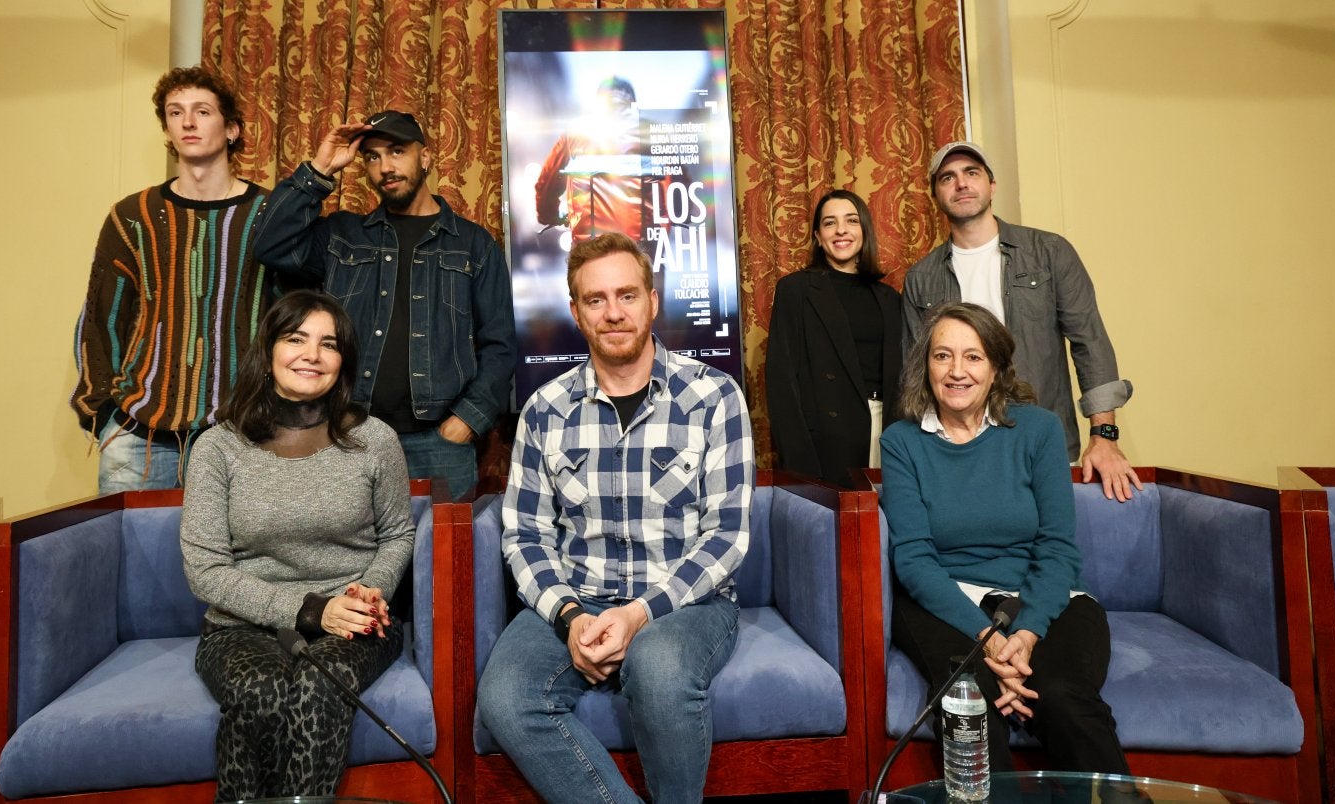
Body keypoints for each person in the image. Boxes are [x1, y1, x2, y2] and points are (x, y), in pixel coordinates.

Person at [477, 232, 753, 803]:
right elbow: (525, 534)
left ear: (653, 301)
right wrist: (569, 616)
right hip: (578, 594)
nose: (613, 313)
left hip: (683, 604)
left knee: (656, 666)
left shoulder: (714, 396)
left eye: (626, 295)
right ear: (576, 313)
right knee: (505, 697)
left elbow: (726, 535)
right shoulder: (545, 410)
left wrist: (637, 615)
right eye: (595, 300)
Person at [181, 290, 414, 801]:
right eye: (296, 338)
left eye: (329, 344)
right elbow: (205, 570)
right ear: (268, 351)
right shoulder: (217, 447)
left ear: (342, 362)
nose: (312, 354)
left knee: (318, 683)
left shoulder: (374, 440)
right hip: (242, 626)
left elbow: (398, 533)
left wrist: (366, 594)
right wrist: (312, 611)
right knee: (259, 691)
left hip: (354, 623)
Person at [880, 302, 1129, 775]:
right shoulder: (901, 441)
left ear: (996, 366)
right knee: (970, 699)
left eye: (973, 357)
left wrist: (1027, 635)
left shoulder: (1038, 430)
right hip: (948, 600)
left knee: (1061, 696)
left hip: (1042, 597)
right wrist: (992, 641)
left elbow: (1057, 547)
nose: (957, 371)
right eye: (943, 356)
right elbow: (913, 558)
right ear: (925, 366)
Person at [254, 110, 516, 500]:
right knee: (347, 558)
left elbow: (501, 344)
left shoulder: (472, 245)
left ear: (424, 158)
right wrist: (320, 169)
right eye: (373, 157)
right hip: (350, 434)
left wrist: (466, 421)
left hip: (439, 442)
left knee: (443, 558)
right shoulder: (343, 235)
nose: (385, 167)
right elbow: (270, 245)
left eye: (396, 152)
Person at [902, 141, 1141, 501]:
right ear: (936, 194)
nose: (962, 184)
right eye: (948, 178)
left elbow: (1089, 343)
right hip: (959, 451)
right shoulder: (921, 278)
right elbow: (916, 374)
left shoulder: (1049, 252)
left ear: (992, 185)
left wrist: (1104, 437)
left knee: (1048, 546)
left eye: (972, 173)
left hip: (1041, 442)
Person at [71, 66, 270, 493]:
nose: (188, 122)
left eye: (202, 111)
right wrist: (101, 413)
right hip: (138, 436)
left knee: (232, 561)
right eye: (175, 112)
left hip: (241, 437)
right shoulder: (132, 216)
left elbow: (296, 320)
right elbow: (101, 319)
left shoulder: (269, 216)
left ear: (231, 128)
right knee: (132, 558)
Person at [766, 190, 902, 486]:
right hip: (826, 439)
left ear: (864, 229)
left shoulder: (889, 298)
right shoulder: (796, 290)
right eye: (830, 223)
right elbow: (781, 382)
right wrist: (799, 464)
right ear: (817, 235)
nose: (841, 230)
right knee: (836, 528)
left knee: (885, 525)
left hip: (887, 430)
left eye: (851, 220)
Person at [535, 77, 649, 242]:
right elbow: (678, 177)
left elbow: (546, 183)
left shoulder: (574, 134)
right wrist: (684, 212)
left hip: (589, 242)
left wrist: (549, 215)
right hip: (642, 243)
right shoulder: (650, 133)